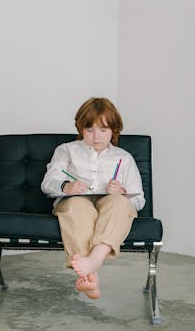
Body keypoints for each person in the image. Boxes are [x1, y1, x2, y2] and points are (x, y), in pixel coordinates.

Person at [40, 97, 145, 299]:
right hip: (75, 201)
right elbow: (48, 183)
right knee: (77, 205)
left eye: (103, 130)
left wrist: (122, 191)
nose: (96, 137)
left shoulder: (123, 158)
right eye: (90, 130)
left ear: (114, 130)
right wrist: (66, 186)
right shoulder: (66, 150)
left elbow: (139, 200)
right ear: (81, 128)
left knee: (119, 203)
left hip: (111, 205)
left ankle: (93, 262)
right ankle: (91, 274)